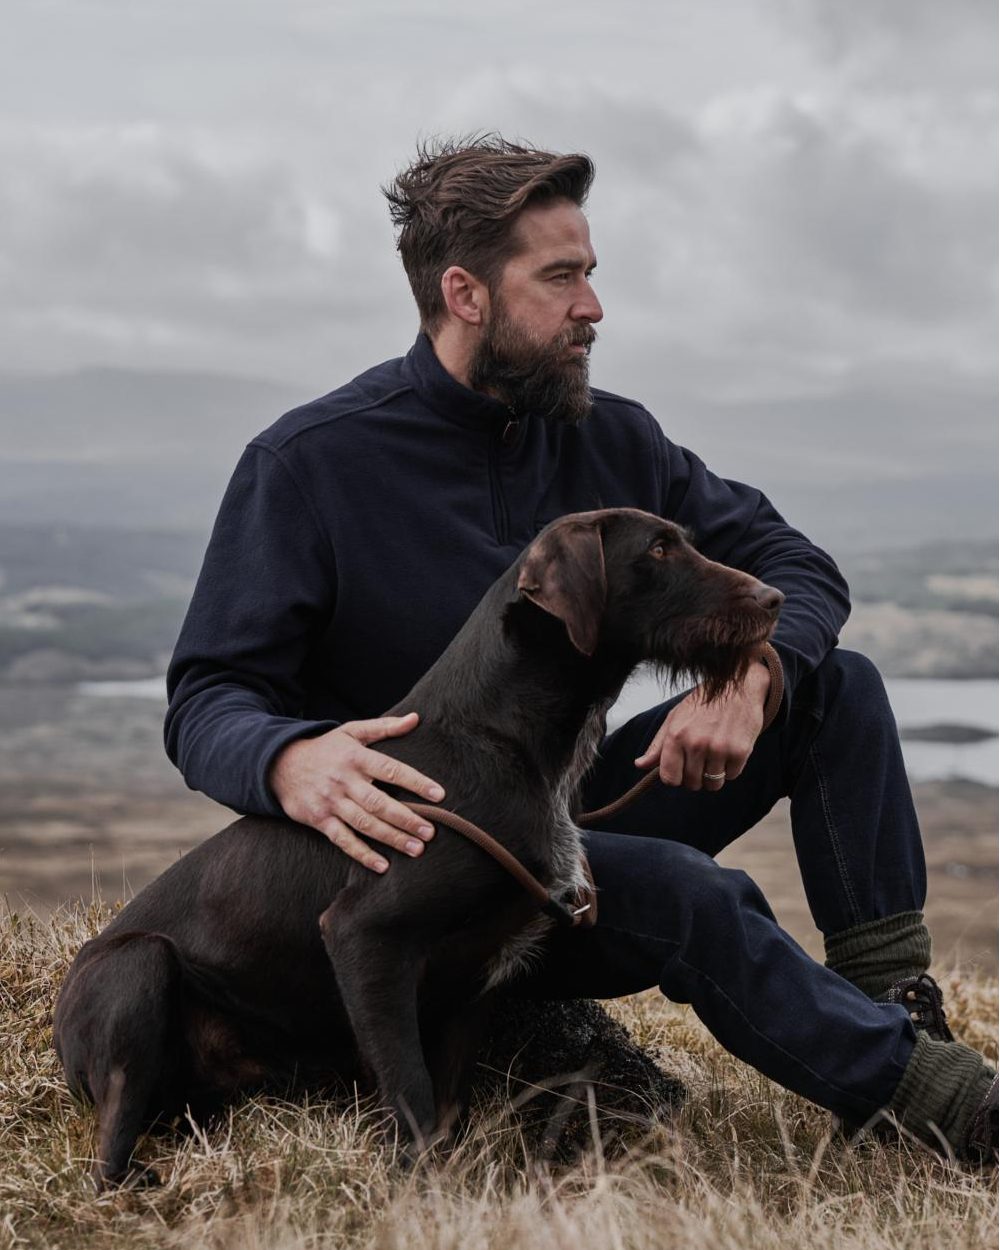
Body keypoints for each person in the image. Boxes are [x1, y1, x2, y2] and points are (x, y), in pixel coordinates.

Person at [165, 135, 997, 1161]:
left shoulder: (615, 437)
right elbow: (208, 696)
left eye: (590, 274)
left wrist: (753, 676)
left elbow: (793, 561)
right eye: (560, 278)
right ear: (464, 293)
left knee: (840, 690)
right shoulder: (308, 465)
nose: (592, 307)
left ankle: (901, 1026)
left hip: (580, 801)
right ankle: (955, 1108)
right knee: (699, 900)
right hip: (441, 871)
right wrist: (288, 756)